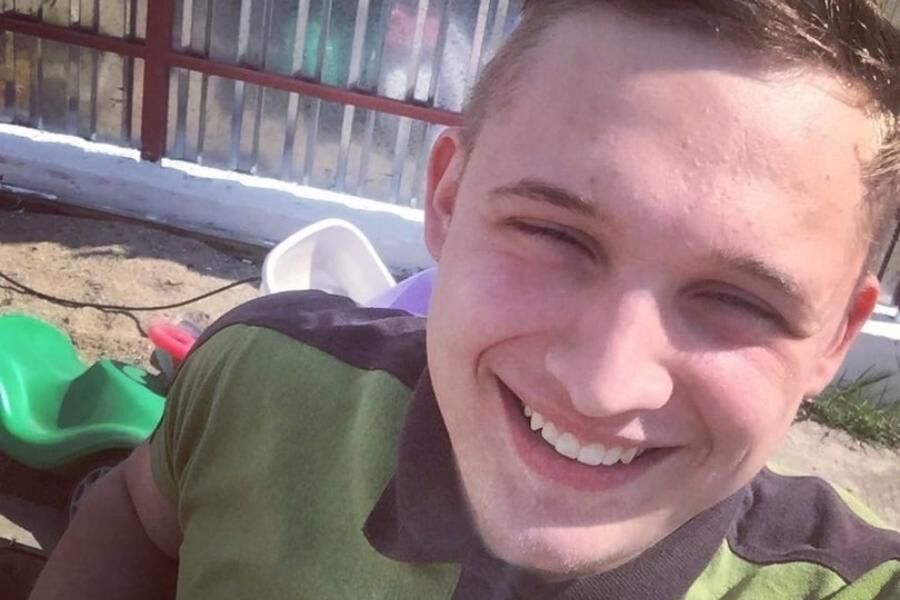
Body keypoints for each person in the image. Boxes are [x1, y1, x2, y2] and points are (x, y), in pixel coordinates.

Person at [30, 1, 900, 598]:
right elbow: (140, 513)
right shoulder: (260, 379)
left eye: (741, 300)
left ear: (835, 338)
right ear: (446, 200)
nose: (603, 385)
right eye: (556, 235)